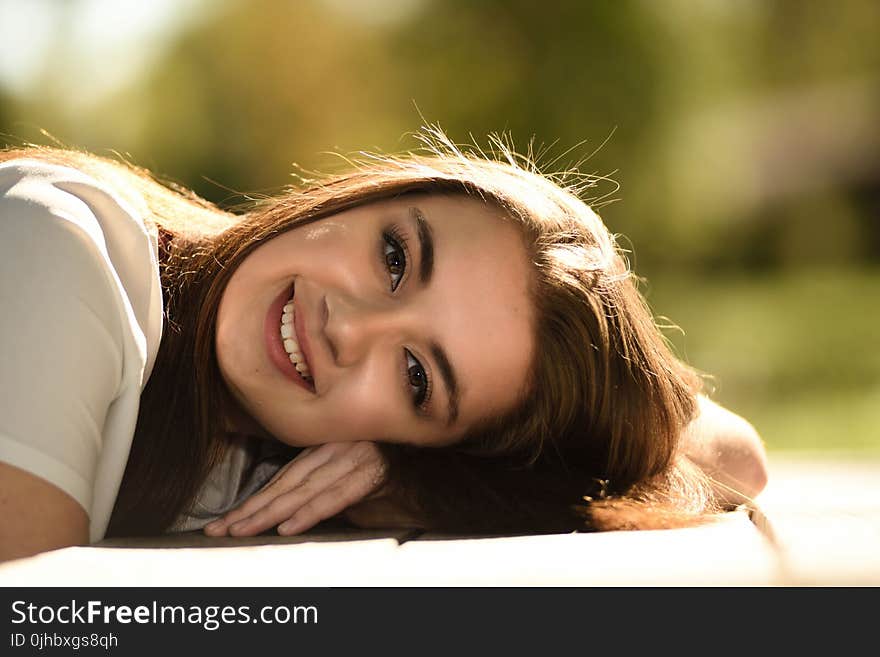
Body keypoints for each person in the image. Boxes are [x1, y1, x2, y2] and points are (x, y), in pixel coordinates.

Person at [0, 129, 767, 563]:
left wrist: (420, 475)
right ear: (364, 195)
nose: (348, 325)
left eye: (415, 375)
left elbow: (734, 455)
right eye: (395, 258)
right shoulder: (65, 250)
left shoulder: (276, 450)